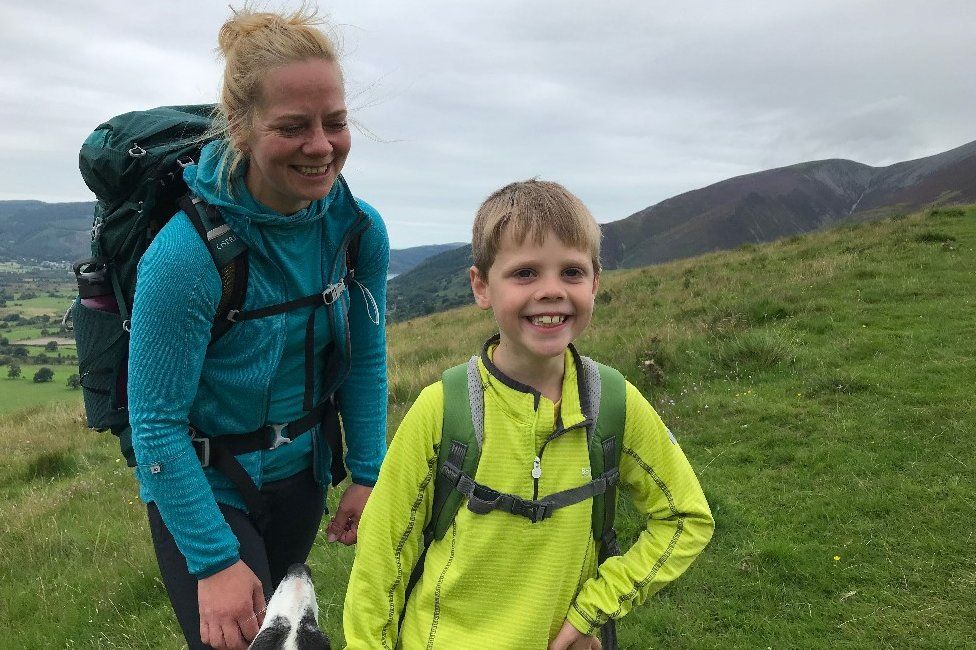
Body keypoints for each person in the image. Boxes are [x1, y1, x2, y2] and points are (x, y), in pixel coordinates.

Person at [343, 180, 713, 649]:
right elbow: (381, 560)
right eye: (525, 273)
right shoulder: (444, 410)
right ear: (481, 286)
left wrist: (589, 613)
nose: (551, 291)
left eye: (572, 272)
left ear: (595, 282)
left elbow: (687, 519)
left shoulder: (613, 404)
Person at [127, 7, 388, 650]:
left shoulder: (356, 232)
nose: (322, 145)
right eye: (292, 127)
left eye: (336, 122)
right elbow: (155, 421)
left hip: (303, 474)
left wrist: (367, 471)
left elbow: (366, 355)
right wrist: (214, 562)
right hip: (207, 483)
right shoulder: (186, 257)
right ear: (242, 129)